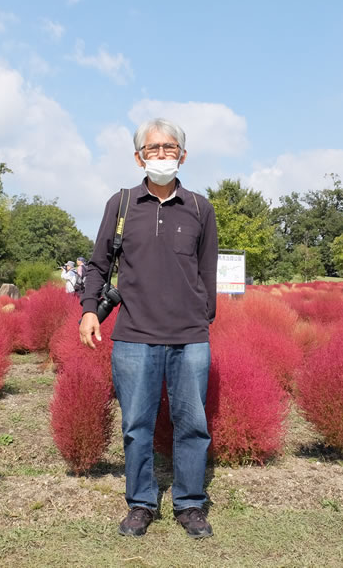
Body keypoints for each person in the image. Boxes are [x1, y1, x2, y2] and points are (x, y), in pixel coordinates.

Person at [79, 118, 218, 539]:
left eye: (170, 148)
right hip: (134, 337)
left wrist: (200, 318)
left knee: (192, 425)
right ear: (139, 156)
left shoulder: (199, 207)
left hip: (189, 338)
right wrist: (89, 310)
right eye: (153, 148)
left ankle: (190, 505)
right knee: (137, 425)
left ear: (183, 155)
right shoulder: (120, 205)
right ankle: (140, 504)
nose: (162, 155)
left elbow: (206, 272)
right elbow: (98, 265)